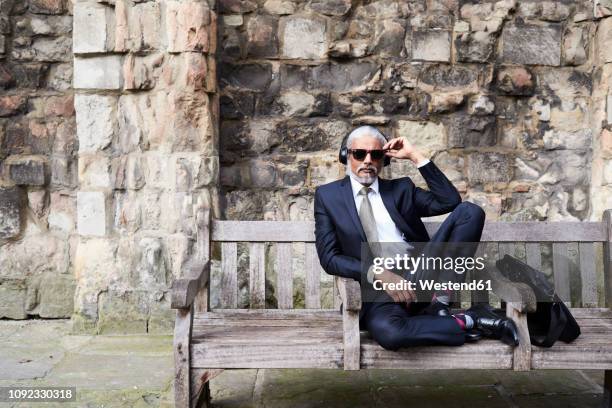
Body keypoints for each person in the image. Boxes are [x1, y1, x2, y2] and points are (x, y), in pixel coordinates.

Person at [313, 125, 519, 350]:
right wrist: (379, 273)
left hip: (422, 273)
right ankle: (471, 320)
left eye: (376, 154)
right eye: (360, 154)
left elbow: (449, 201)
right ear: (346, 155)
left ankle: (438, 302)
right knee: (390, 333)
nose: (368, 160)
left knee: (470, 212)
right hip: (378, 292)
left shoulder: (401, 189)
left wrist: (415, 156)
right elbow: (329, 257)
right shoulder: (328, 196)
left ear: (385, 159)